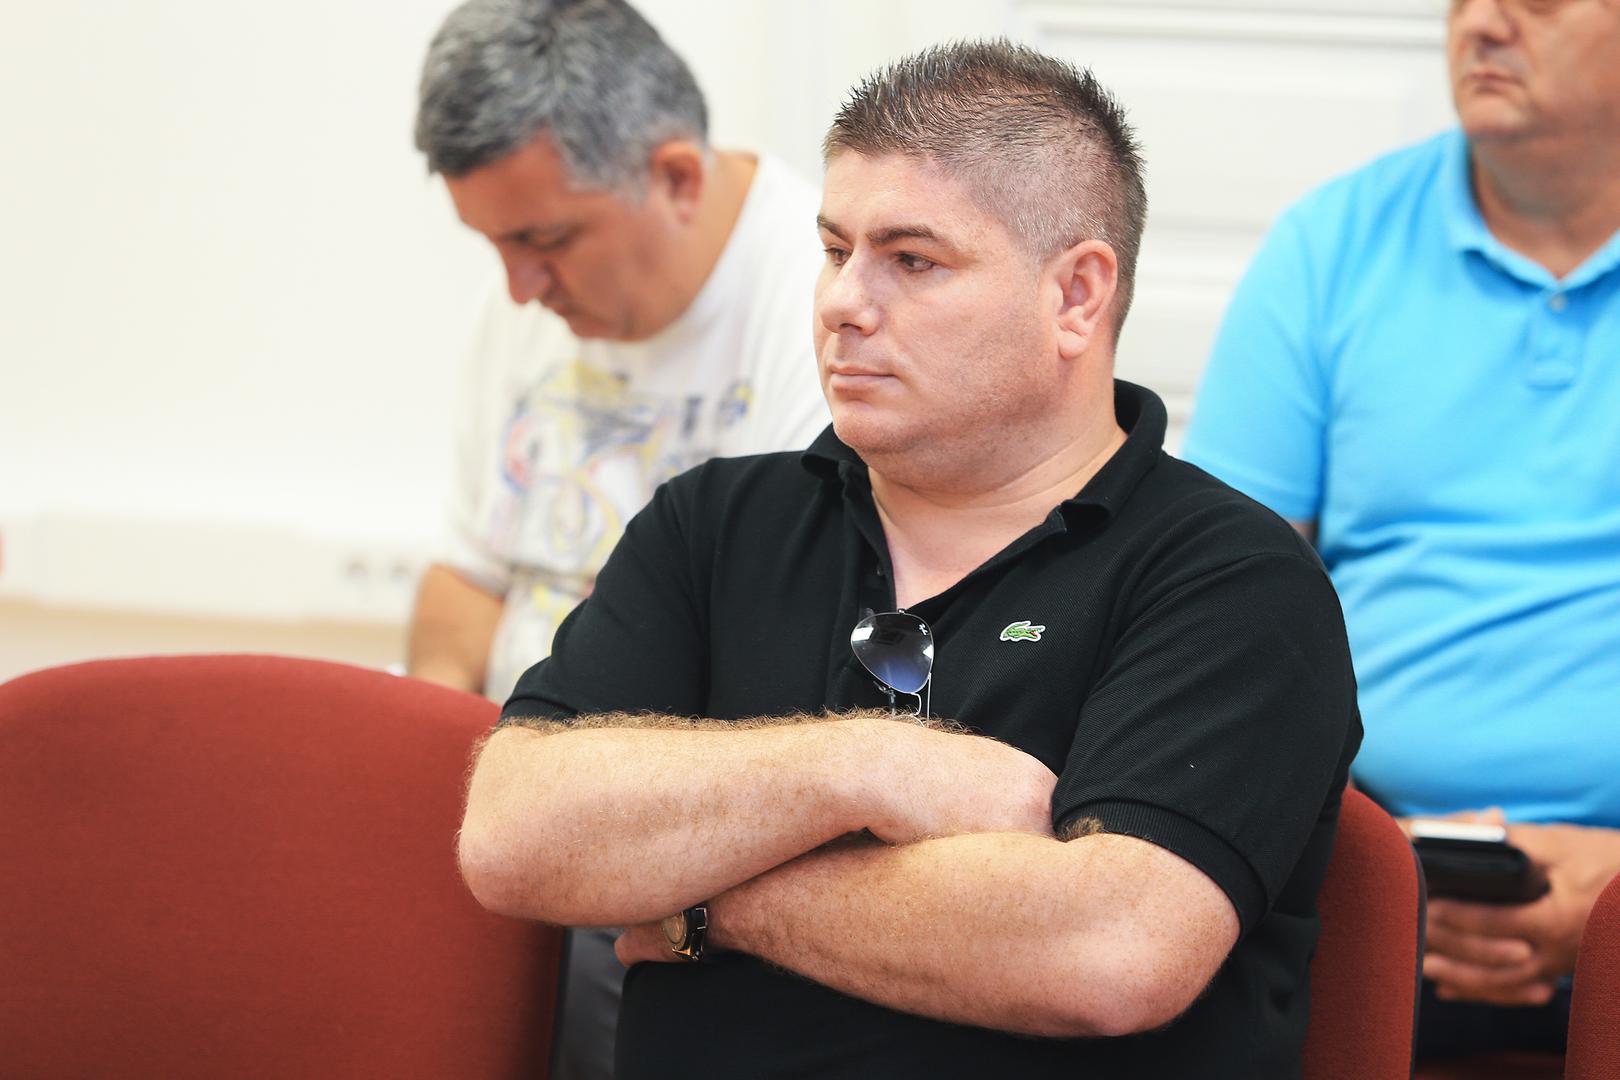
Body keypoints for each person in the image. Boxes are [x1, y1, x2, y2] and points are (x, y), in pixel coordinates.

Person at [457, 40, 1362, 1079]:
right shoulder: (713, 521)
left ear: (1076, 296)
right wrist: (873, 767)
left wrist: (701, 899)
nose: (843, 300)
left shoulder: (1233, 580)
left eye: (912, 260)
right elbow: (513, 835)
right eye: (835, 249)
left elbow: (1108, 950)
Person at [1182, 0, 1620, 1060]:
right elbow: (1213, 605)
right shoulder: (1332, 248)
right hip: (1355, 859)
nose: (1484, 23)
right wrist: (1359, 855)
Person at [408, 1, 828, 1076]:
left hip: (677, 844)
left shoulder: (821, 303)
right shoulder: (528, 303)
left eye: (544, 241)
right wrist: (434, 790)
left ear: (677, 177)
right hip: (514, 806)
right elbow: (467, 578)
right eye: (495, 245)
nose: (519, 287)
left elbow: (778, 675)